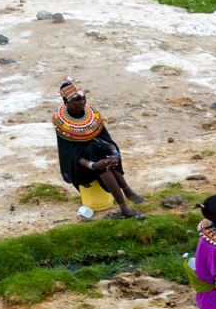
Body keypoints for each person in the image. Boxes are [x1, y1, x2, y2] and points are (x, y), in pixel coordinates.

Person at [52, 76, 146, 219]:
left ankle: (126, 195)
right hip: (80, 165)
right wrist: (93, 165)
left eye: (84, 98)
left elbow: (106, 139)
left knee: (102, 149)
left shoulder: (92, 116)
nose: (82, 102)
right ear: (66, 101)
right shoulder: (61, 122)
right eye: (77, 100)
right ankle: (125, 202)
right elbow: (70, 155)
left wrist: (115, 155)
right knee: (98, 154)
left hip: (101, 156)